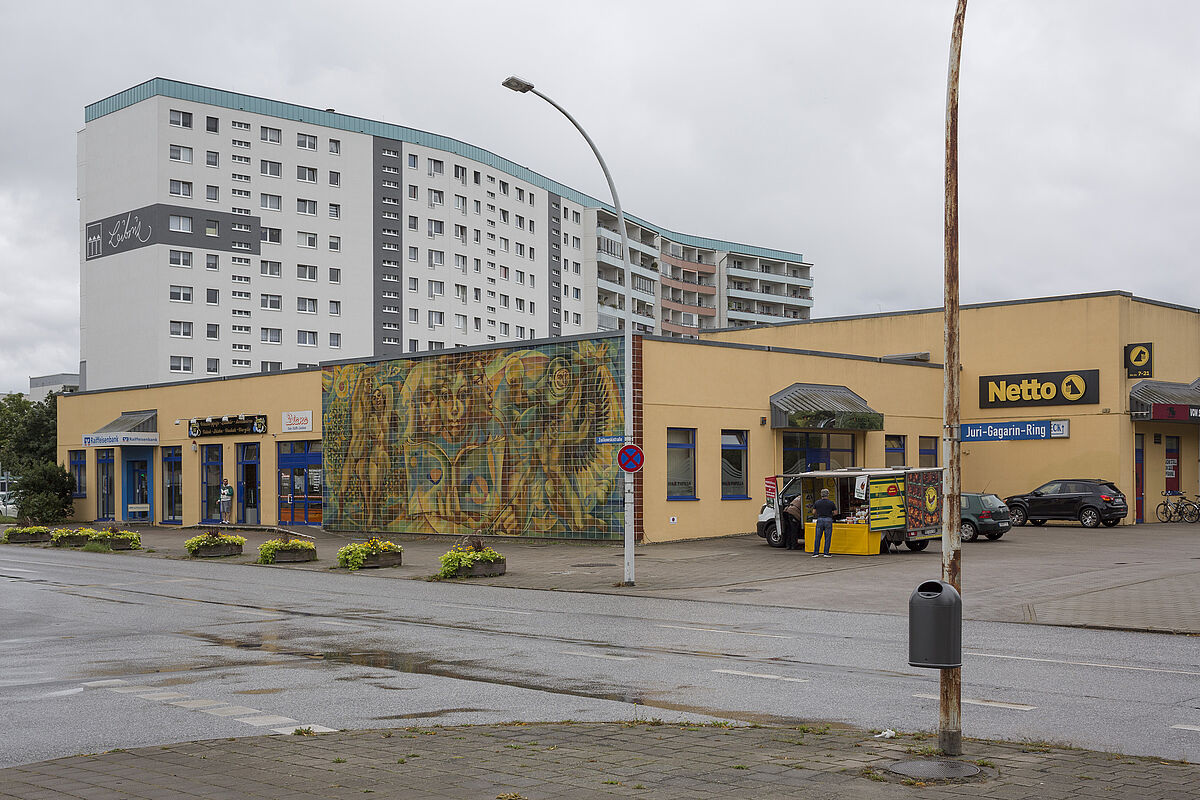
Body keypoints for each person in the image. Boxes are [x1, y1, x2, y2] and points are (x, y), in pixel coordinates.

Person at [812, 488, 837, 558]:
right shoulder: (831, 503)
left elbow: (813, 512)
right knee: (827, 537)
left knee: (817, 537)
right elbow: (835, 512)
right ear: (828, 495)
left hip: (819, 519)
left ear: (821, 495)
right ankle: (826, 553)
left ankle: (816, 553)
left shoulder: (817, 502)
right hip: (828, 520)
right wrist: (830, 514)